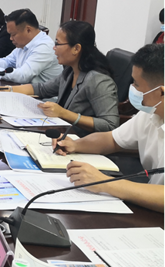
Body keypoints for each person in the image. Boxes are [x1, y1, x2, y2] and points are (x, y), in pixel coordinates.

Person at [52, 44, 164, 213]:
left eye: (136, 84)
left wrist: (104, 183)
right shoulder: (150, 113)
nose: (132, 89)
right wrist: (75, 144)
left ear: (161, 92)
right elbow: (112, 139)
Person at [0, 21, 119, 136]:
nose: (54, 48)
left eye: (58, 43)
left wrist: (63, 113)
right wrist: (6, 90)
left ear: (76, 48)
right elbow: (42, 88)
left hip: (81, 141)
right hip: (62, 134)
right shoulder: (70, 71)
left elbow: (110, 125)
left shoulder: (98, 80)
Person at [0, 8, 61, 84]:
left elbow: (23, 76)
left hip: (40, 95)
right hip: (25, 90)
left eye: (13, 34)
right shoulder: (23, 44)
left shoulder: (44, 47)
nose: (10, 38)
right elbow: (8, 61)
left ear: (28, 30)